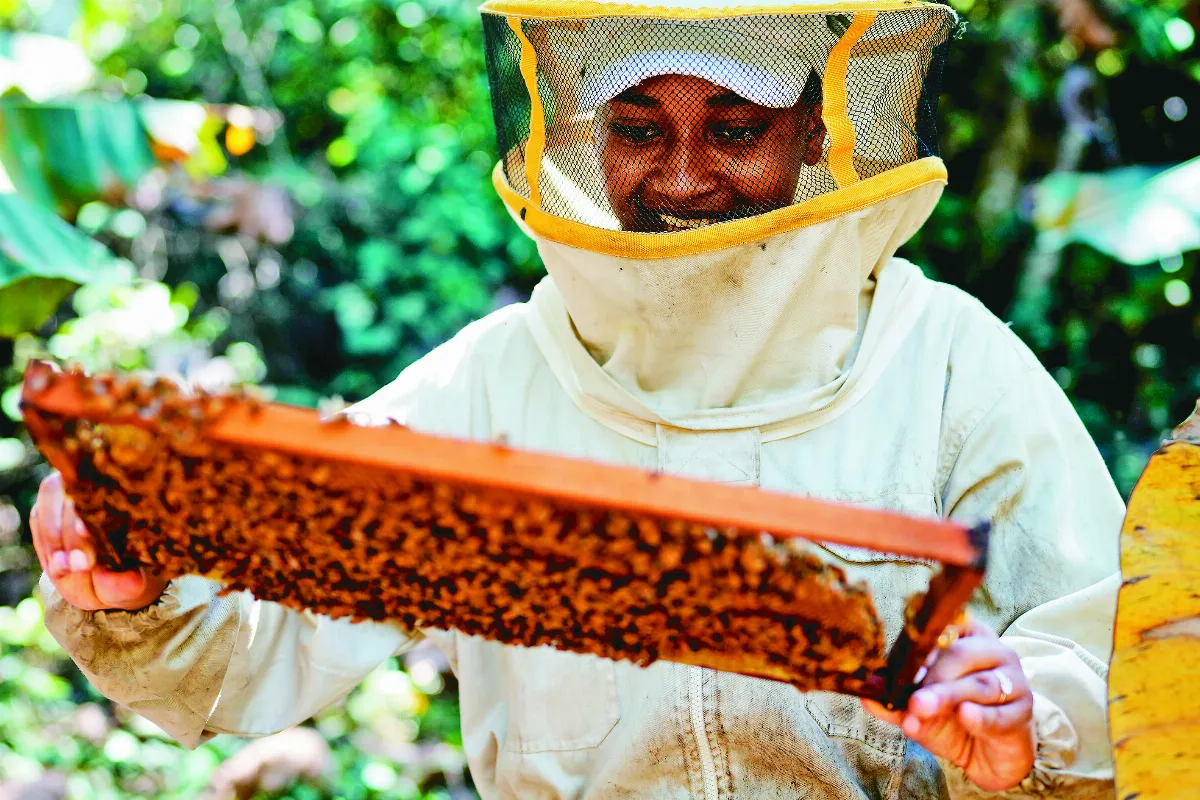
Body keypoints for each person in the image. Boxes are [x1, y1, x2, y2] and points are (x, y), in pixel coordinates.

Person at [32, 2, 1122, 798]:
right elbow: (256, 637)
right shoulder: (495, 384)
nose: (685, 174)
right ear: (578, 131)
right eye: (640, 126)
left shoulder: (947, 365)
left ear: (823, 130)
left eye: (737, 126)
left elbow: (1126, 663)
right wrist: (137, 577)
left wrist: (1021, 709)